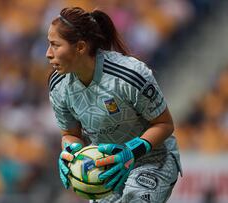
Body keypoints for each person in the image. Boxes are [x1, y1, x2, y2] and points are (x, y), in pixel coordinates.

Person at [46, 7, 182, 203]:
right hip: (106, 167)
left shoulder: (130, 75)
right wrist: (70, 151)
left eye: (55, 45)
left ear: (81, 47)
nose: (48, 54)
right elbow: (71, 134)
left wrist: (130, 152)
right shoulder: (58, 85)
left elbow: (165, 124)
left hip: (151, 160)